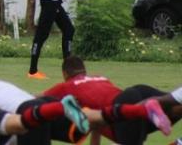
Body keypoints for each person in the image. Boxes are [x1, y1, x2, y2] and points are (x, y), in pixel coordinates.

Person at [0, 57, 173, 145]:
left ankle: (61, 107)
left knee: (41, 111)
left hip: (31, 112)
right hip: (132, 100)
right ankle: (144, 111)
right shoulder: (101, 78)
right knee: (96, 117)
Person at [43, 56, 178, 145]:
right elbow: (97, 122)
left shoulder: (66, 86)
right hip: (138, 92)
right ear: (84, 70)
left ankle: (147, 108)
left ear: (65, 74)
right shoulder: (99, 78)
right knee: (177, 106)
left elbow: (36, 99)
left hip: (124, 108)